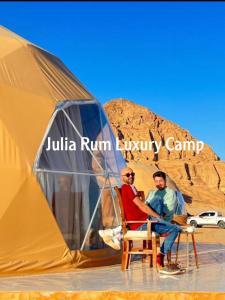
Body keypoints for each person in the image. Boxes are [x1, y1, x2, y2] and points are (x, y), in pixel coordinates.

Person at [99, 167, 183, 274]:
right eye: (128, 175)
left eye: (132, 174)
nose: (131, 176)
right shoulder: (128, 187)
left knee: (158, 201)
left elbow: (141, 207)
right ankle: (160, 259)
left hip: (142, 221)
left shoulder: (128, 188)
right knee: (175, 229)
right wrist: (158, 217)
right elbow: (142, 206)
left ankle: (117, 232)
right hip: (142, 224)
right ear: (122, 177)